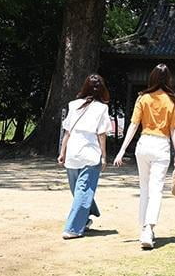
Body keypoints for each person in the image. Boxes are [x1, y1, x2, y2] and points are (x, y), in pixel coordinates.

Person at [113, 63, 175, 250]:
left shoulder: (143, 99)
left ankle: (143, 228)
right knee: (156, 190)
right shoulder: (173, 100)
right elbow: (174, 130)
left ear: (152, 78)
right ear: (169, 79)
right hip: (161, 145)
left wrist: (121, 150)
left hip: (143, 144)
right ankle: (149, 228)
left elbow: (133, 125)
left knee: (144, 188)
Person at [57, 73, 111, 239]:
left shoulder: (73, 105)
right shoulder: (102, 108)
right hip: (90, 152)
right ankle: (73, 228)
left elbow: (67, 131)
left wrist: (62, 151)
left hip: (73, 151)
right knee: (83, 190)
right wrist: (104, 156)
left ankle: (85, 216)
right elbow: (101, 134)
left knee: (78, 189)